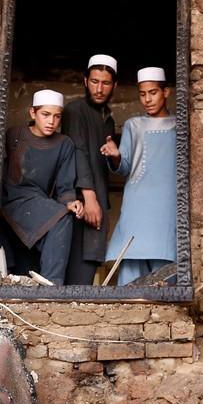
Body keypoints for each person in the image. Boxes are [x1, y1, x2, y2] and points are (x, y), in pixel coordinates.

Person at [102, 67, 177, 285]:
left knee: (166, 266)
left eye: (153, 93)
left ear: (166, 92)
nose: (147, 99)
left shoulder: (180, 126)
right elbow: (124, 167)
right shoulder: (132, 125)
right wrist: (116, 156)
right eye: (143, 94)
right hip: (137, 203)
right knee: (131, 266)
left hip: (167, 205)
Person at [0, 89, 83, 285]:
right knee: (59, 219)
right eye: (45, 114)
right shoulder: (14, 136)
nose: (51, 121)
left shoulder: (64, 144)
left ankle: (48, 284)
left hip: (38, 202)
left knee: (63, 215)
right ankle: (53, 283)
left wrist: (70, 202)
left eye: (57, 116)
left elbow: (65, 184)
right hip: (11, 200)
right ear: (32, 113)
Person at [61, 53, 119, 285]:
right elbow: (78, 151)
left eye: (105, 83)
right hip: (80, 200)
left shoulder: (108, 119)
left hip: (98, 197)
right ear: (85, 81)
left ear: (114, 85)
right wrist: (89, 196)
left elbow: (104, 161)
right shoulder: (75, 110)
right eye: (94, 81)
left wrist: (115, 158)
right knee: (75, 263)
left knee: (90, 263)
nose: (99, 88)